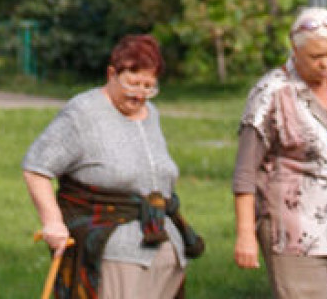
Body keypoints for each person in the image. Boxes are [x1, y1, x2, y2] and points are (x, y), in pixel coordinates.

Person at [22, 34, 204, 299]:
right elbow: (37, 167)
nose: (140, 94)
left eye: (149, 86)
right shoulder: (83, 113)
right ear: (112, 74)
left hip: (165, 250)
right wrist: (53, 223)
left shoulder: (151, 114)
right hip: (114, 254)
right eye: (133, 83)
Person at [232, 6, 327, 299]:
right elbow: (245, 171)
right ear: (295, 49)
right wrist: (245, 234)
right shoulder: (272, 92)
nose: (325, 64)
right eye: (316, 56)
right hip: (293, 232)